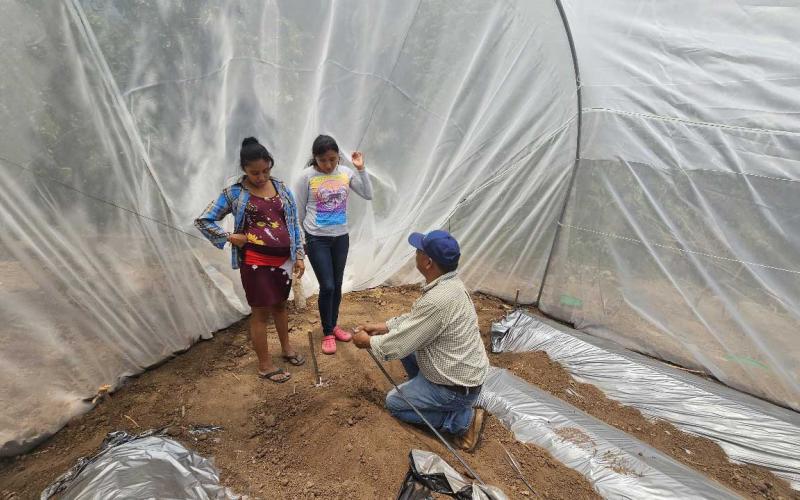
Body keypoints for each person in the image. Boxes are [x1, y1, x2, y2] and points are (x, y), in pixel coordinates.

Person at [352, 230, 489, 451]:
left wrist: (367, 342)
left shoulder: (437, 300)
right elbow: (417, 321)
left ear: (427, 262)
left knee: (394, 404)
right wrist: (384, 326)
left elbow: (398, 343)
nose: (415, 253)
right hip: (460, 375)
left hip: (455, 388)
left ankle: (461, 421)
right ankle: (426, 392)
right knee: (408, 345)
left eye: (418, 251)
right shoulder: (450, 285)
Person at [195, 137, 306, 383]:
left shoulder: (281, 187)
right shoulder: (235, 193)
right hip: (255, 263)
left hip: (284, 262)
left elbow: (294, 224)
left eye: (266, 170)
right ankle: (265, 365)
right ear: (244, 169)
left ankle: (287, 349)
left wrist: (299, 255)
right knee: (260, 313)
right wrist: (227, 236)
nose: (261, 177)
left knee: (280, 306)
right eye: (255, 172)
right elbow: (203, 220)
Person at [295, 134, 373, 355]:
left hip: (341, 237)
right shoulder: (305, 177)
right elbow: (299, 212)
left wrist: (360, 168)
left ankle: (334, 325)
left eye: (332, 159)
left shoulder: (346, 173)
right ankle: (327, 331)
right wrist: (304, 241)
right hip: (316, 238)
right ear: (315, 159)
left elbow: (368, 194)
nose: (328, 165)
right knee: (327, 286)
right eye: (323, 160)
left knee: (337, 285)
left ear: (338, 156)